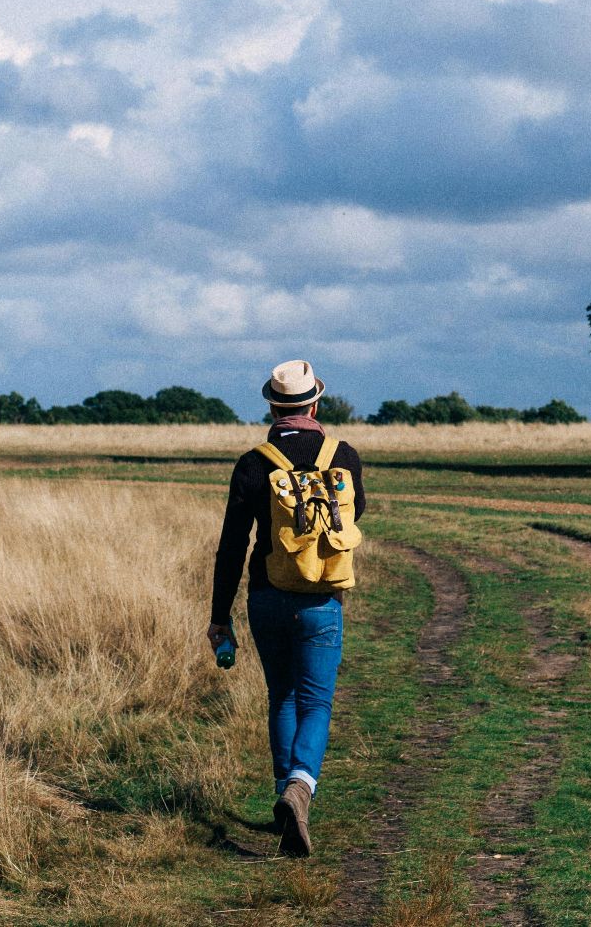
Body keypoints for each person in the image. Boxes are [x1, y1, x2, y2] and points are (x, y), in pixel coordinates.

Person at [208, 359, 366, 857]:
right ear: (315, 403)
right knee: (317, 701)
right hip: (322, 597)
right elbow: (353, 515)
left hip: (266, 596)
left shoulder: (254, 462)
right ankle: (300, 788)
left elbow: (232, 546)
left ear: (273, 407)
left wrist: (219, 615)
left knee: (282, 697)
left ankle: (285, 799)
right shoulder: (345, 456)